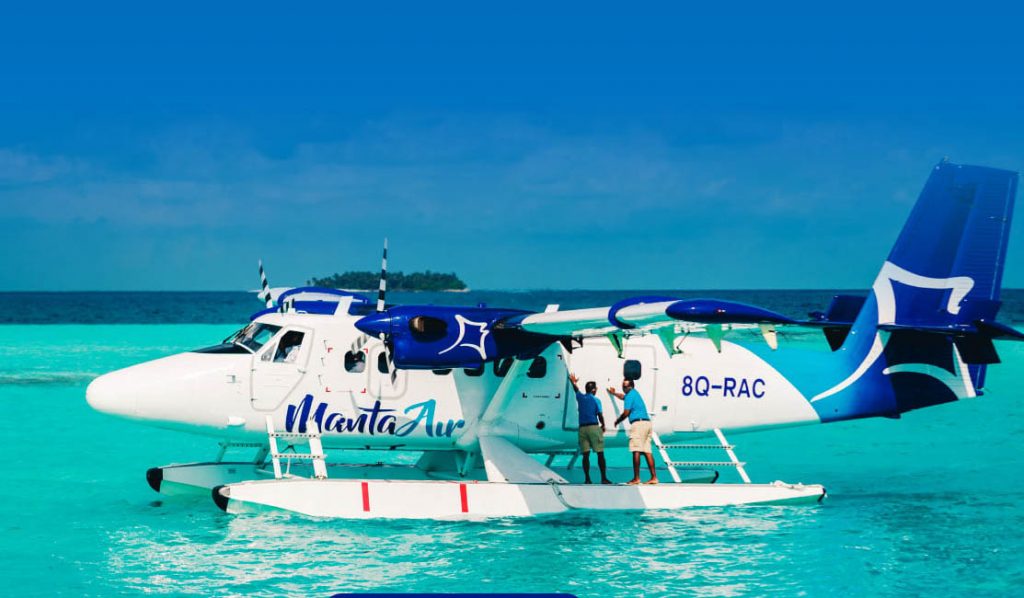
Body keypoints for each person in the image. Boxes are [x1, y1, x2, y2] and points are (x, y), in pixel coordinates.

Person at [608, 378, 657, 485]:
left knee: (636, 450)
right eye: (623, 386)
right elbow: (623, 397)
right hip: (647, 423)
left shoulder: (630, 395)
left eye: (625, 386)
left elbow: (626, 413)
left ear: (631, 386)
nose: (623, 388)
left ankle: (636, 478)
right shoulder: (634, 394)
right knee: (647, 451)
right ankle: (654, 477)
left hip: (638, 424)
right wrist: (614, 393)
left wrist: (617, 421)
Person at [569, 373, 612, 484]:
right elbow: (599, 414)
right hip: (593, 427)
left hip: (582, 429)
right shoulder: (596, 400)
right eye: (596, 388)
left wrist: (573, 382)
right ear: (593, 390)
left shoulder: (581, 398)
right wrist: (603, 425)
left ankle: (587, 479)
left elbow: (576, 390)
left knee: (585, 455)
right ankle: (603, 478)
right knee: (600, 453)